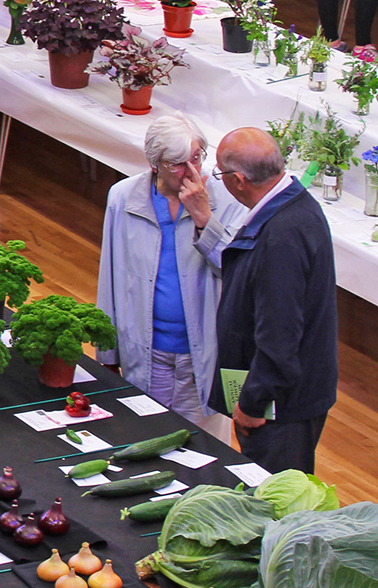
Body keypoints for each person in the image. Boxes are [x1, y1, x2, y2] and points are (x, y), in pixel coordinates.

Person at [95, 114, 234, 438]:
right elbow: (111, 277)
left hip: (203, 355)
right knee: (144, 441)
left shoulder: (225, 200)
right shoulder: (123, 197)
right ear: (156, 164)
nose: (192, 171)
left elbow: (235, 270)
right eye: (178, 163)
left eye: (197, 158)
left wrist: (203, 217)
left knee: (203, 454)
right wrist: (107, 352)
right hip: (145, 350)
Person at [209, 128, 338, 474]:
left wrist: (253, 401)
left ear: (238, 181)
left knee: (270, 502)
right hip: (286, 395)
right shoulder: (293, 205)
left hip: (280, 405)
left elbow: (279, 334)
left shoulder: (281, 235)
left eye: (219, 174)